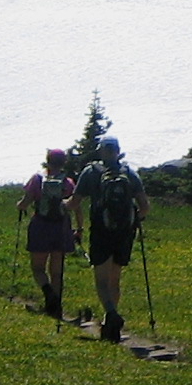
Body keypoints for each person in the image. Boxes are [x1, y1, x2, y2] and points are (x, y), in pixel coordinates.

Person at [68, 135, 148, 341]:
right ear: (118, 151)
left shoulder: (91, 172)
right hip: (124, 234)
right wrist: (132, 221)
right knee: (115, 279)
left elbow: (74, 203)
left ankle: (112, 314)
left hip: (101, 231)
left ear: (101, 151)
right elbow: (145, 207)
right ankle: (109, 326)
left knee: (101, 280)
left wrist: (60, 203)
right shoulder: (129, 173)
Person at [17, 147, 76, 318]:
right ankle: (56, 307)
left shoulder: (37, 180)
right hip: (61, 228)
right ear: (64, 163)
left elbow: (25, 203)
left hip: (40, 226)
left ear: (47, 161)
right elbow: (76, 207)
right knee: (56, 272)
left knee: (38, 268)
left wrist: (19, 206)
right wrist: (79, 228)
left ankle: (48, 293)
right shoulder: (68, 183)